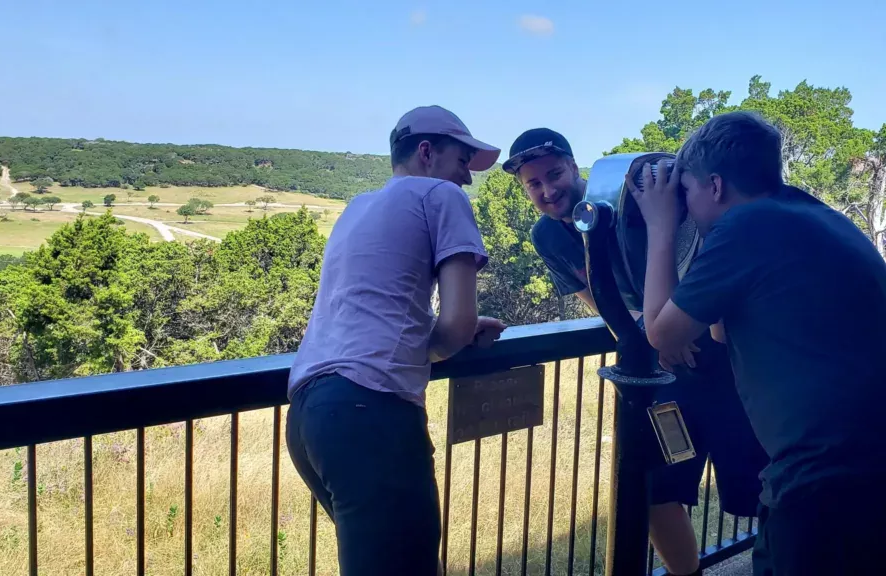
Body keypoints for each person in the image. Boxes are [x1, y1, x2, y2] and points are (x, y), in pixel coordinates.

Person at [630, 110, 886, 576]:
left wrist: (660, 225)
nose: (683, 205)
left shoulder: (746, 226)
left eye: (685, 192)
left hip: (824, 479)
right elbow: (720, 331)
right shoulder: (817, 216)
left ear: (716, 186)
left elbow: (661, 333)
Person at [502, 128, 768, 576]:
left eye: (554, 174)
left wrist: (683, 326)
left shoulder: (636, 197)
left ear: (573, 166)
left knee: (757, 484)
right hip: (661, 363)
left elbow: (703, 252)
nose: (548, 190)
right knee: (655, 489)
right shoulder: (548, 236)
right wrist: (655, 337)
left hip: (722, 354)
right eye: (534, 184)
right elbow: (601, 300)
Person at [286, 105, 507, 576]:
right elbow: (454, 326)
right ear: (426, 152)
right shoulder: (441, 197)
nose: (467, 178)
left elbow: (376, 312)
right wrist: (459, 334)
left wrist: (448, 332)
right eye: (462, 161)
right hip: (371, 415)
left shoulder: (358, 207)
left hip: (310, 417)